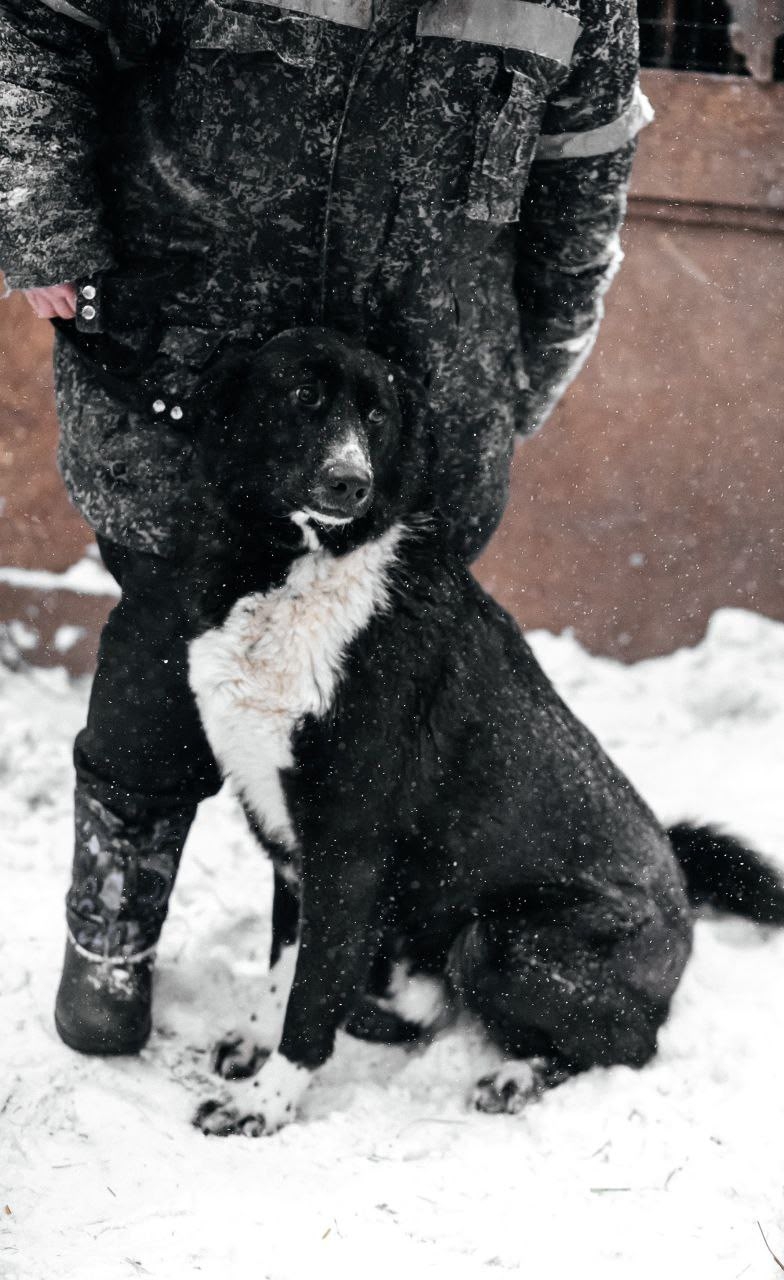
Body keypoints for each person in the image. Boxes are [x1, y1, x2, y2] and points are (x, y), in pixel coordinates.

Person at [0, 0, 652, 1054]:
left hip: (419, 407)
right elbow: (41, 24)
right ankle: (111, 933)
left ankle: (310, 969)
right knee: (167, 647)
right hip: (198, 366)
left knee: (364, 713)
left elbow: (582, 174)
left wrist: (516, 377)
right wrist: (47, 228)